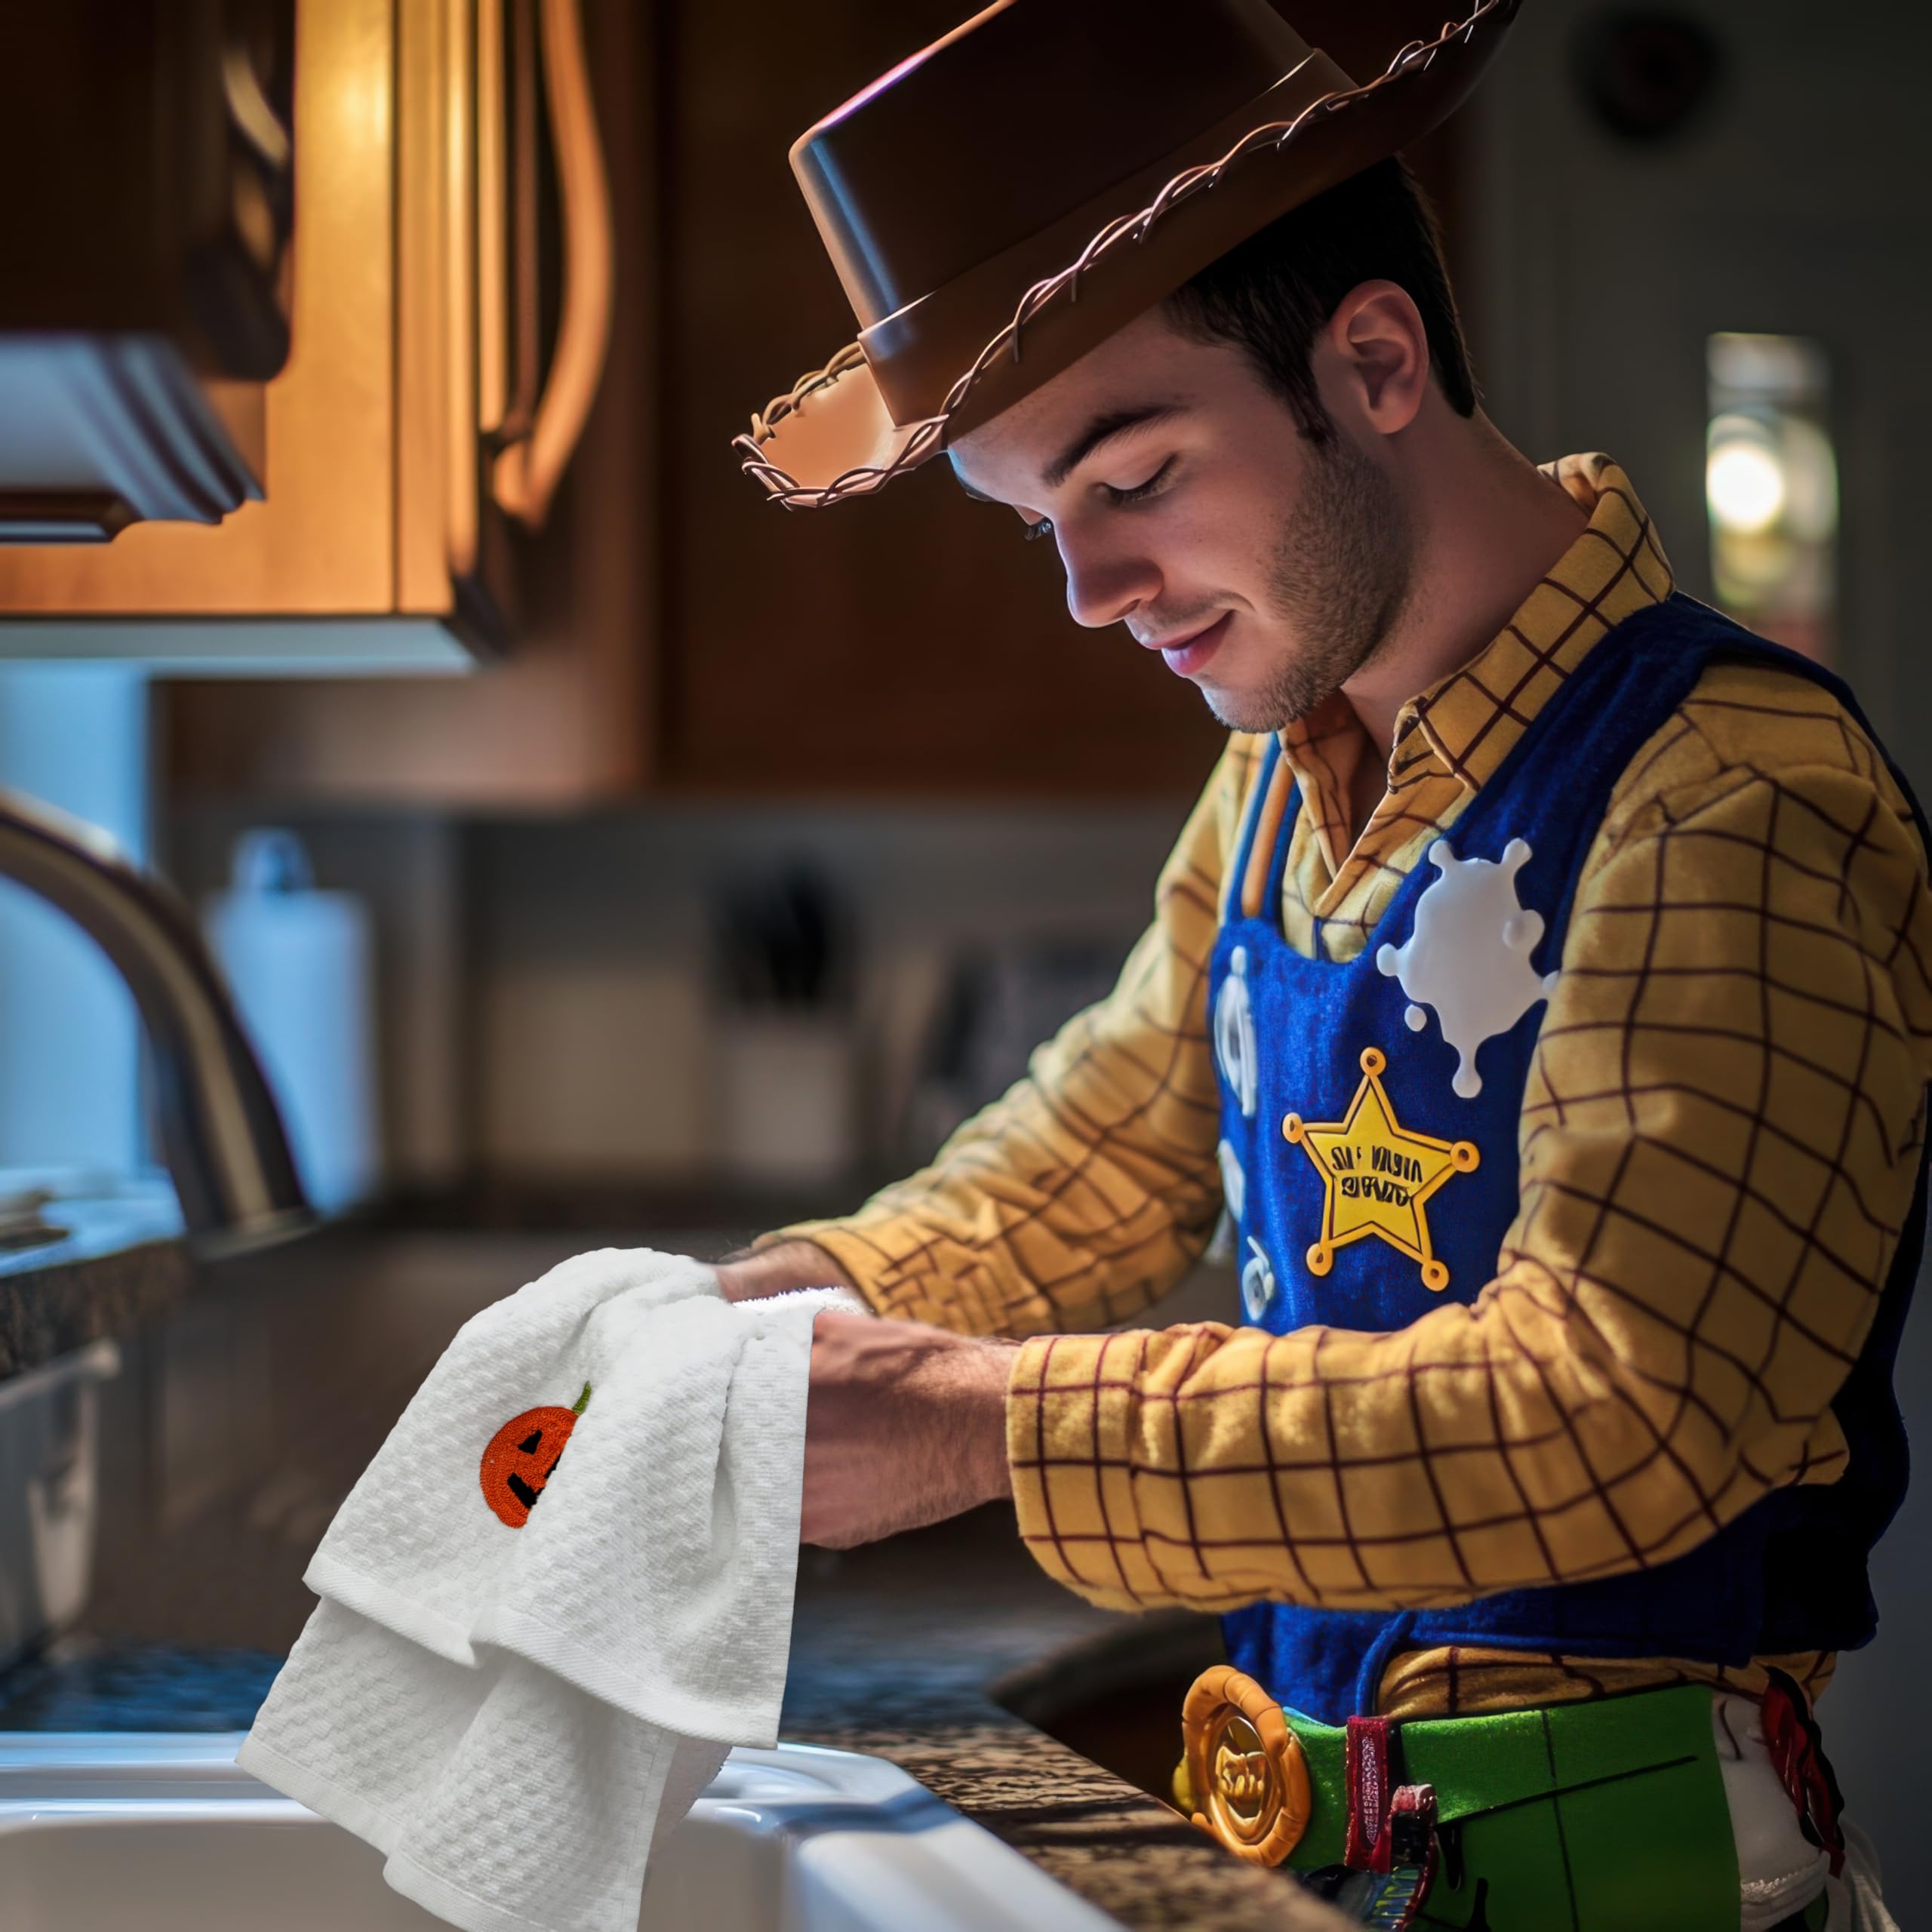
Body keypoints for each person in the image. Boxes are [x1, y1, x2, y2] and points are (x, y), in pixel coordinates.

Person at [717, 2, 1929, 1925]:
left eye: (1129, 478)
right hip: (1331, 1848)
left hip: (1648, 1875)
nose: (1088, 592)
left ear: (1368, 360)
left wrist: (975, 1419)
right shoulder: (1283, 779)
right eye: (1041, 517)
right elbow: (1097, 1147)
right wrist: (778, 1305)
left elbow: (1606, 1411)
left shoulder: (1723, 796)